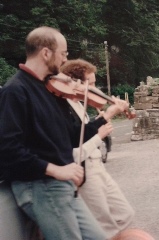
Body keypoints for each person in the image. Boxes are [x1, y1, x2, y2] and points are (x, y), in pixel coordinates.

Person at [0, 26, 128, 240]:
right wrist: (57, 170)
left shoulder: (52, 90)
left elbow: (69, 136)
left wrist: (105, 116)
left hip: (62, 185)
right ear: (46, 53)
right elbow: (7, 149)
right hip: (40, 187)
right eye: (63, 54)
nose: (65, 60)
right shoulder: (16, 91)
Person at [60, 59, 135, 239]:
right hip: (86, 170)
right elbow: (73, 148)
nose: (95, 89)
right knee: (104, 224)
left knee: (125, 214)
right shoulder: (65, 109)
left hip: (98, 166)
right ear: (76, 83)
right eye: (91, 84)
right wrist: (99, 134)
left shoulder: (80, 105)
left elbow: (87, 130)